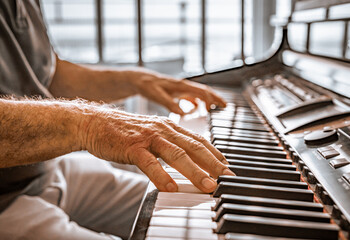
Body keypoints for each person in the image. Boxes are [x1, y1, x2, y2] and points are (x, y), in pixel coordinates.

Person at [0, 1, 234, 239]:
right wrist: (89, 125)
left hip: (45, 170)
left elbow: (47, 75)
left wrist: (136, 81)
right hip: (5, 204)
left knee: (205, 206)